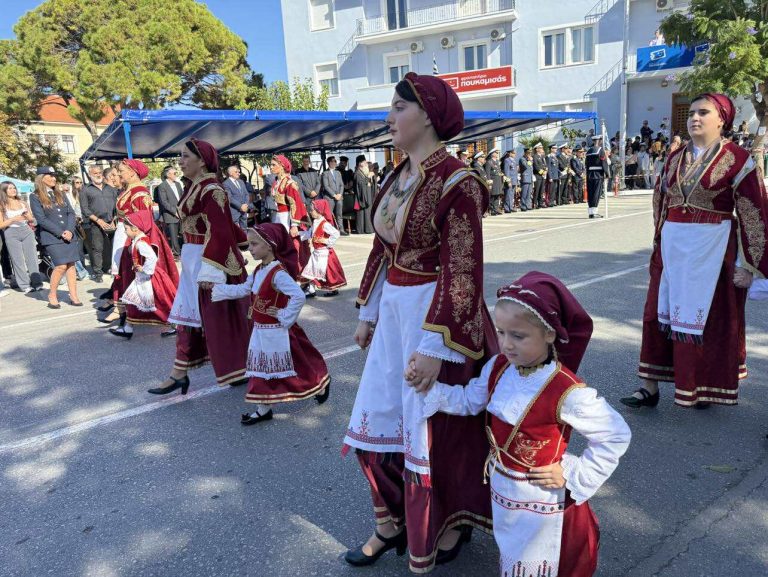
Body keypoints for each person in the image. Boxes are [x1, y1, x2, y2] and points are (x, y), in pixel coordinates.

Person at [343, 72, 497, 573]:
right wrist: (368, 309)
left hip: (438, 318)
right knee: (376, 422)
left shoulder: (458, 182)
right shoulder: (396, 176)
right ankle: (391, 524)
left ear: (427, 113)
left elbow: (464, 270)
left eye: (396, 108)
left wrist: (436, 346)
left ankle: (449, 522)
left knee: (437, 431)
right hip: (394, 312)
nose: (388, 118)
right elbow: (382, 248)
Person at [410, 272, 631, 577]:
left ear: (550, 334)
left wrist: (571, 471)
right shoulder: (499, 366)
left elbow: (616, 434)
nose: (506, 344)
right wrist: (428, 389)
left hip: (543, 501)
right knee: (513, 557)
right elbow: (470, 400)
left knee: (543, 564)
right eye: (500, 333)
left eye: (518, 336)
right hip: (505, 493)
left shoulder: (566, 390)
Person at [622, 93, 768, 409]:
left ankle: (700, 386)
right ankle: (649, 386)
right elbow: (661, 200)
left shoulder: (740, 159)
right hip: (672, 249)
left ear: (722, 120)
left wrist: (750, 265)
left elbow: (753, 212)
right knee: (654, 315)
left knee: (709, 319)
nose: (694, 118)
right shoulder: (675, 158)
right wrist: (658, 241)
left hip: (712, 251)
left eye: (703, 112)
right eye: (691, 113)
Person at [152, 139, 251, 394]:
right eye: (180, 157)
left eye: (186, 156)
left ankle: (239, 366)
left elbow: (219, 229)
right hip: (194, 257)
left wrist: (212, 268)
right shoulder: (195, 186)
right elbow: (226, 224)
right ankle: (179, 372)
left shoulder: (211, 189)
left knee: (219, 318)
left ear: (202, 160)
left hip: (209, 260)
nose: (181, 162)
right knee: (189, 315)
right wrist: (244, 239)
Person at [211, 223, 330, 424]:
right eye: (249, 244)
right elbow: (243, 290)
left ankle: (320, 383)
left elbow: (298, 296)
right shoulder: (259, 270)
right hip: (260, 330)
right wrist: (216, 289)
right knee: (261, 369)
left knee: (300, 364)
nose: (251, 248)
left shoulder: (278, 274)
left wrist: (284, 315)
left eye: (255, 244)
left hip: (279, 331)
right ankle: (263, 408)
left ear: (270, 245)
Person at [110, 210, 178, 340]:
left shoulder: (141, 242)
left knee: (162, 302)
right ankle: (128, 328)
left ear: (135, 228)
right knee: (132, 300)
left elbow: (152, 258)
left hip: (149, 279)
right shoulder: (137, 239)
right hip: (141, 279)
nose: (125, 231)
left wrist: (144, 270)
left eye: (126, 229)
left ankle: (174, 325)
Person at [29, 167, 82, 308]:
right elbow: (41, 219)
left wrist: (70, 230)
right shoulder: (35, 196)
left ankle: (74, 295)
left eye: (54, 176)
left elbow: (70, 213)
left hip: (69, 235)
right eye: (49, 176)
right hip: (52, 237)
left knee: (71, 266)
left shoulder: (60, 194)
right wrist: (61, 232)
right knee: (61, 266)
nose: (53, 178)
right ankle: (52, 294)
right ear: (41, 178)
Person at [0, 181, 42, 293]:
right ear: (4, 191)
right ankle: (24, 285)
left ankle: (37, 283)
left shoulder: (22, 202)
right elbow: (1, 225)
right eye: (9, 188)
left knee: (32, 258)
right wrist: (13, 219)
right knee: (17, 260)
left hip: (26, 230)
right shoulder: (2, 205)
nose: (13, 190)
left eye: (14, 188)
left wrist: (30, 218)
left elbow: (32, 220)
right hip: (11, 232)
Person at [299, 199, 346, 297]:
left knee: (326, 272)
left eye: (312, 210)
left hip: (323, 253)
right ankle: (311, 290)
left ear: (319, 210)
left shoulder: (324, 224)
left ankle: (332, 289)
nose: (310, 212)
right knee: (311, 270)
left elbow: (336, 233)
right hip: (316, 253)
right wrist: (298, 234)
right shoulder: (315, 222)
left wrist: (326, 241)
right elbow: (309, 234)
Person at [80, 165, 118, 282]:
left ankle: (114, 269)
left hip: (112, 222)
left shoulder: (110, 189)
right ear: (90, 175)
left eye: (100, 172)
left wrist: (114, 220)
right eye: (95, 173)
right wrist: (98, 220)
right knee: (97, 249)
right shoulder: (85, 190)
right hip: (96, 223)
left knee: (115, 247)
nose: (98, 174)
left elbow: (117, 206)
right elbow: (85, 210)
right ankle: (98, 273)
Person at [156, 166, 184, 256]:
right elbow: (164, 202)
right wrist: (175, 212)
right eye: (174, 173)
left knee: (183, 234)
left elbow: (182, 197)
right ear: (168, 175)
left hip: (181, 213)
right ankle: (177, 253)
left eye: (176, 173)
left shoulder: (178, 184)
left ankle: (183, 251)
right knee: (173, 236)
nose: (176, 175)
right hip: (170, 215)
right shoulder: (162, 186)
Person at [585, 135, 609, 218]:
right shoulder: (600, 150)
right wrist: (607, 173)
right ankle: (594, 212)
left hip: (589, 174)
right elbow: (604, 163)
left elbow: (586, 164)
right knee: (596, 193)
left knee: (590, 193)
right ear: (599, 141)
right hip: (598, 174)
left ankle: (591, 212)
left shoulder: (588, 151)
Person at [321, 156, 346, 234]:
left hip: (339, 197)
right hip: (330, 197)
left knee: (339, 214)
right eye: (332, 161)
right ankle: (329, 231)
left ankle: (341, 229)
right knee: (329, 215)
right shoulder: (325, 173)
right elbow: (326, 186)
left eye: (335, 161)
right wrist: (334, 195)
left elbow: (342, 184)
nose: (334, 163)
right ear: (329, 163)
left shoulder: (338, 172)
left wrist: (340, 194)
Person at [223, 165, 252, 231]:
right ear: (230, 173)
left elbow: (246, 194)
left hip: (244, 211)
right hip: (234, 212)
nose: (239, 173)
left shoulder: (241, 182)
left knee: (244, 230)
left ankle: (245, 241)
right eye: (236, 172)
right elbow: (229, 198)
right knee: (236, 232)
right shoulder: (225, 184)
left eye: (239, 172)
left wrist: (246, 205)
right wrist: (240, 206)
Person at [354, 155, 374, 234]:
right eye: (364, 162)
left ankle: (368, 229)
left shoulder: (363, 173)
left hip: (367, 196)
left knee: (367, 213)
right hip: (360, 197)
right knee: (361, 214)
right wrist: (368, 177)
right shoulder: (357, 174)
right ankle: (361, 229)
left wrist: (372, 178)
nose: (366, 164)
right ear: (360, 164)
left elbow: (367, 183)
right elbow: (361, 185)